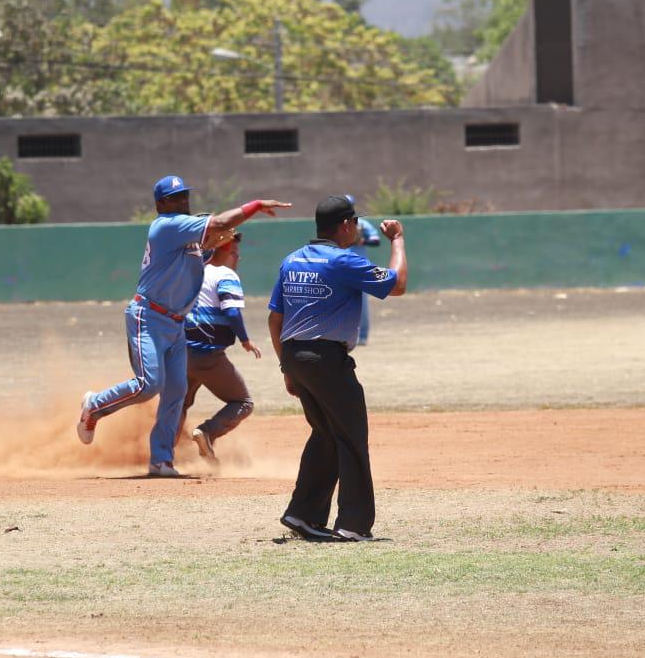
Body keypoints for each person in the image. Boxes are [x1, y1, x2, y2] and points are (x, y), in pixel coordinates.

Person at [77, 177, 290, 477]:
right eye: (175, 197)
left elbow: (205, 246)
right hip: (148, 316)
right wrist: (253, 206)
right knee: (148, 384)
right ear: (161, 204)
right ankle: (94, 406)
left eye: (185, 196)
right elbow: (217, 224)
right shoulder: (167, 225)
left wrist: (212, 242)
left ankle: (161, 460)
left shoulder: (186, 241)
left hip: (176, 324)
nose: (182, 201)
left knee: (176, 391)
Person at [267, 195, 407, 542]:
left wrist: (286, 365)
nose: (357, 228)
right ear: (345, 225)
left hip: (296, 355)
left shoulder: (292, 260)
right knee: (351, 437)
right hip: (326, 359)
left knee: (326, 434)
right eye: (355, 222)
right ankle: (354, 525)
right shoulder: (344, 261)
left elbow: (274, 318)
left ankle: (303, 514)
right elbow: (398, 284)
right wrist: (398, 240)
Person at [177, 231, 259, 465]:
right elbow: (231, 310)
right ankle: (208, 432)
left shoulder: (191, 273)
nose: (237, 258)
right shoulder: (225, 274)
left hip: (180, 352)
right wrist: (244, 339)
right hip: (208, 356)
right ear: (225, 252)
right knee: (243, 402)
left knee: (180, 403)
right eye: (235, 253)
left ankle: (163, 454)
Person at [346, 196, 382, 346]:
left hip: (359, 265)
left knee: (361, 302)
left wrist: (363, 241)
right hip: (340, 266)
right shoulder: (334, 225)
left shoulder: (362, 223)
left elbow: (376, 240)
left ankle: (363, 335)